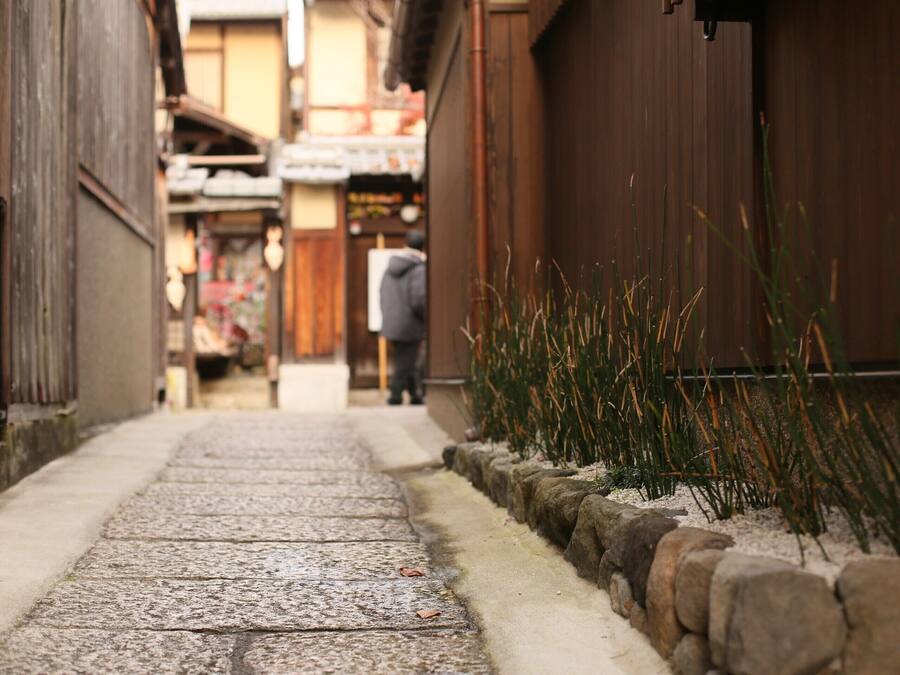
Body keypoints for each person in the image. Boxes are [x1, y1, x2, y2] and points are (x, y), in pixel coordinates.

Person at [380, 230, 426, 405]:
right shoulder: (418, 268)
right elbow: (419, 299)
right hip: (410, 322)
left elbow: (382, 293)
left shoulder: (390, 267)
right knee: (406, 361)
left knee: (406, 358)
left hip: (392, 320)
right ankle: (395, 395)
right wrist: (425, 319)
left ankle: (415, 395)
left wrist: (388, 315)